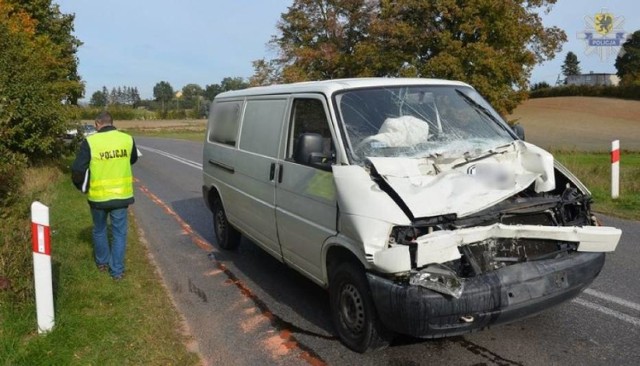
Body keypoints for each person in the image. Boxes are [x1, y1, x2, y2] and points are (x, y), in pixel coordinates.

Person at [71, 112, 138, 280]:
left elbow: (78, 168)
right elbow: (133, 159)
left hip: (98, 197)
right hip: (121, 196)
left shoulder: (91, 142)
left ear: (97, 124)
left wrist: (81, 186)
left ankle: (102, 263)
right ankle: (117, 272)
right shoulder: (127, 139)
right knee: (119, 233)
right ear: (112, 123)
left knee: (100, 230)